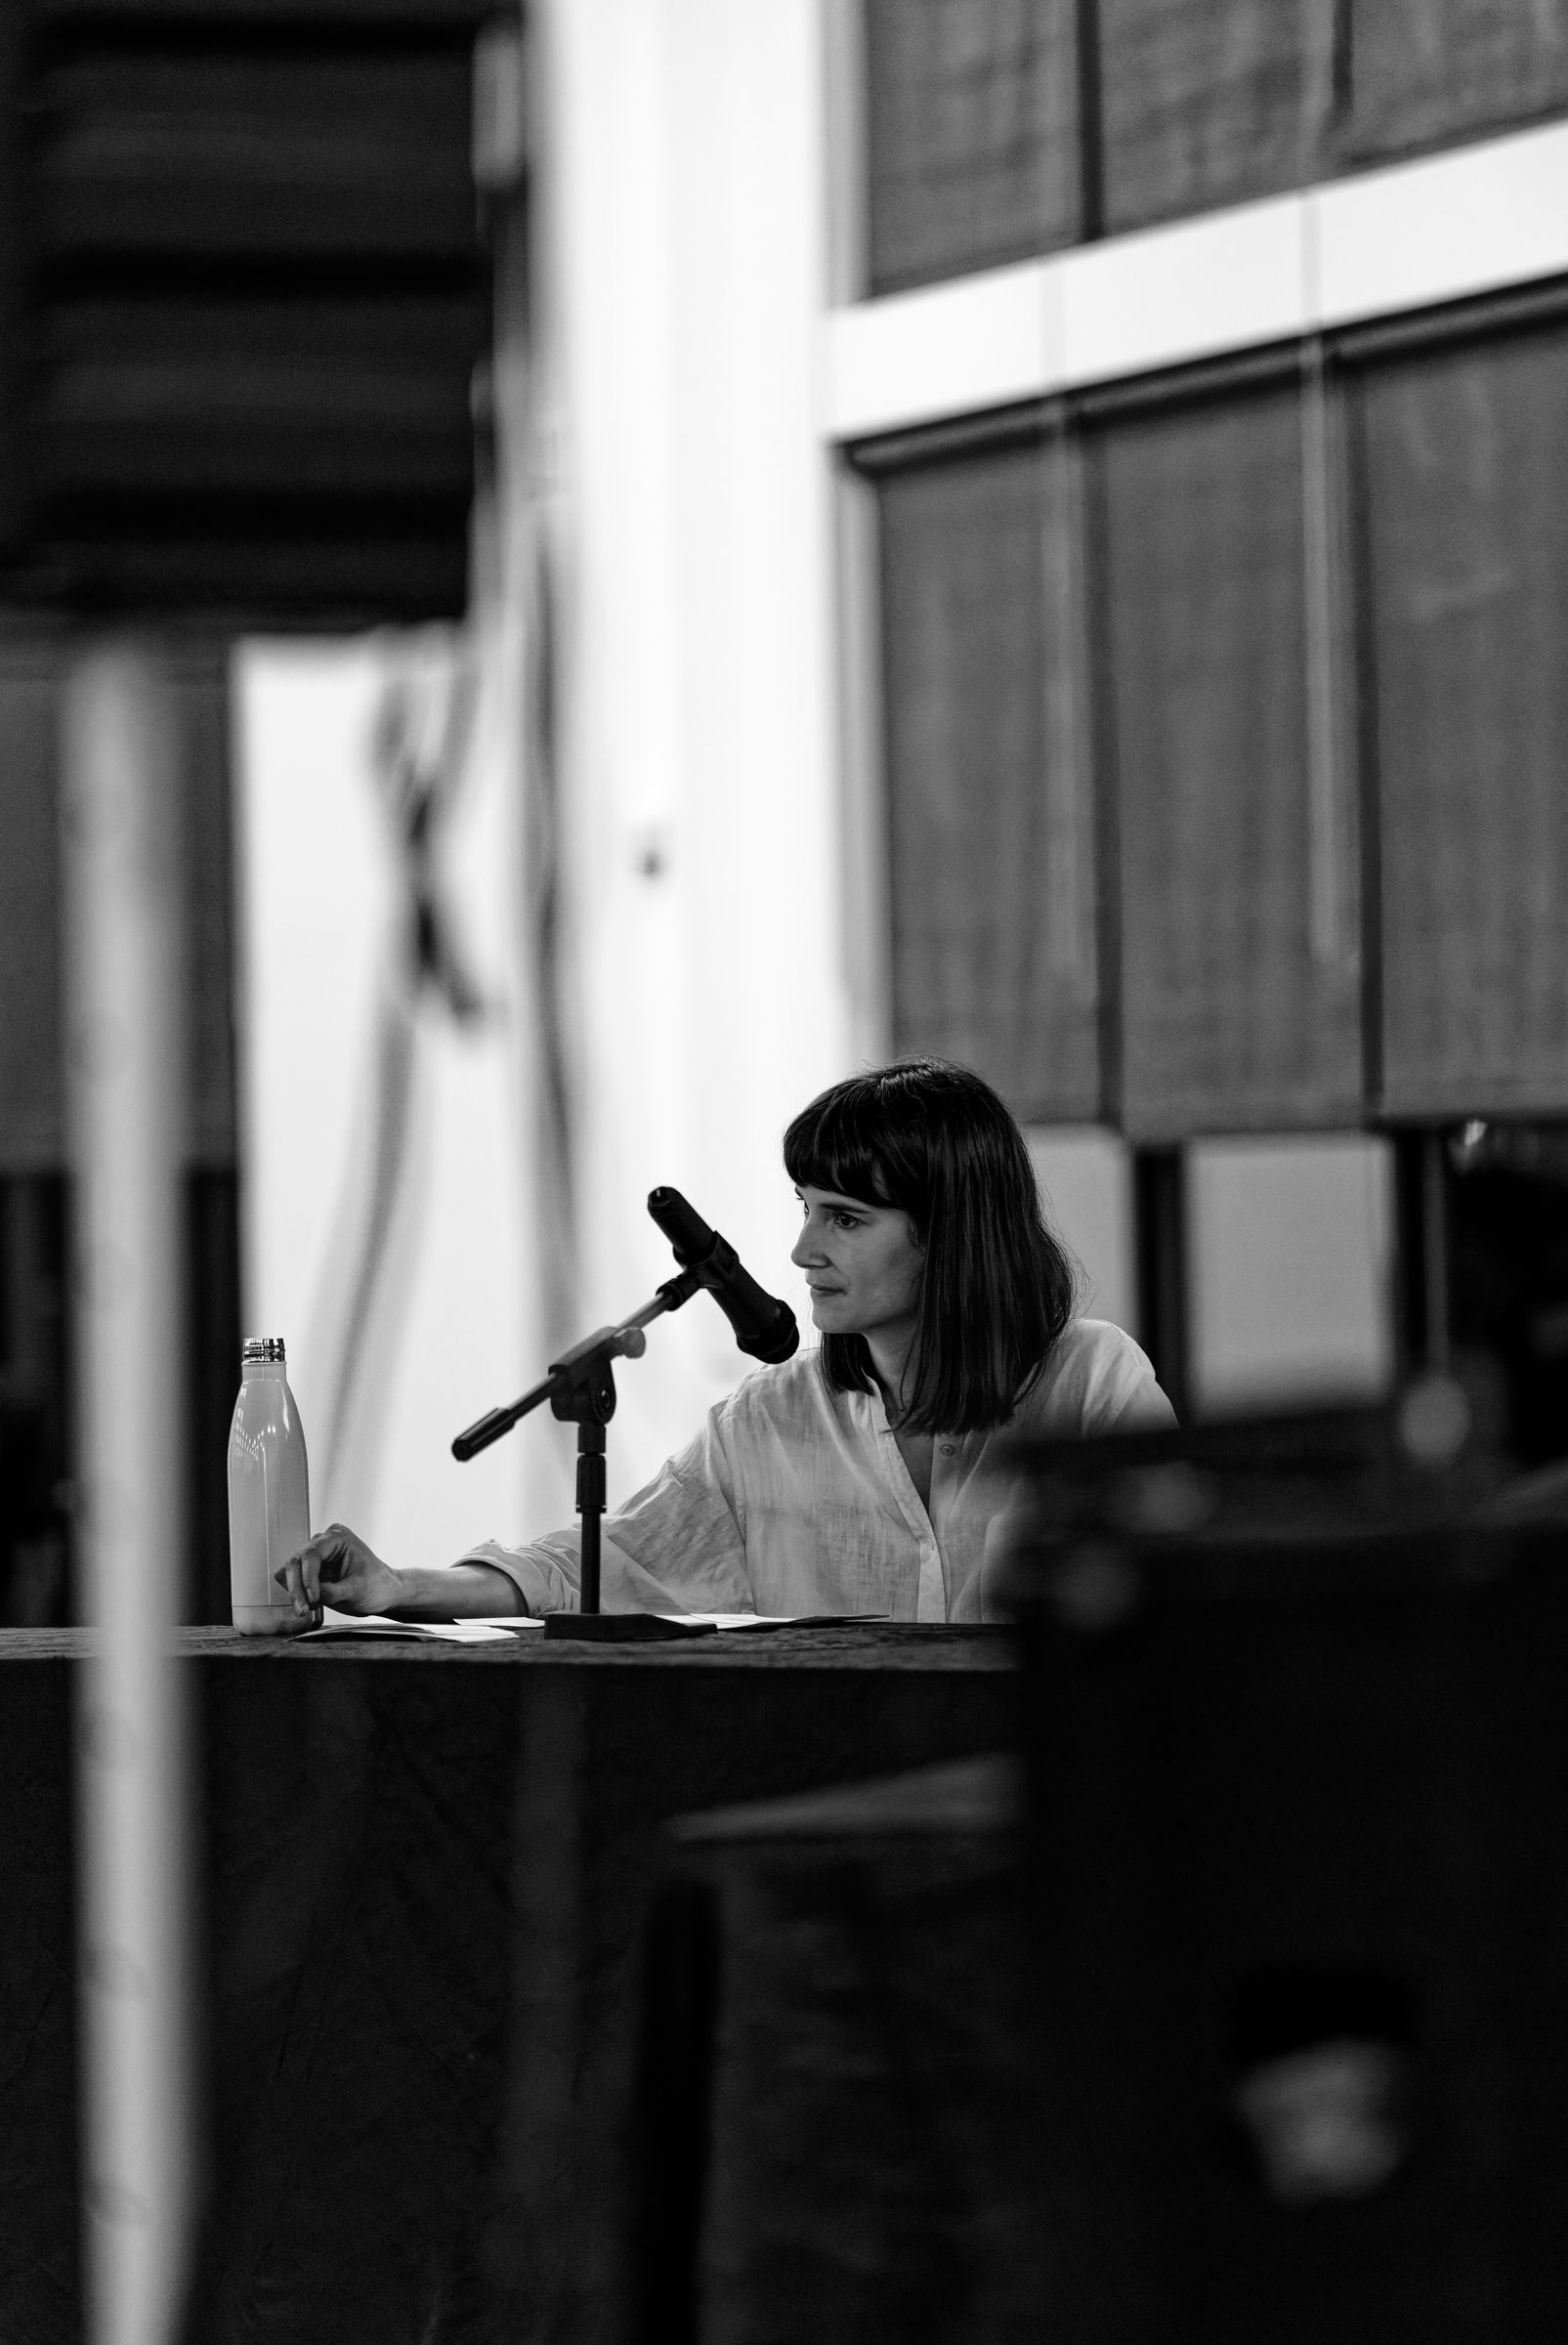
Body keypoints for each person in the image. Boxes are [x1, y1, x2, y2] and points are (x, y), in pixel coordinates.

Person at [277, 1058, 1175, 1626]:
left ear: (950, 1233)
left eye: (846, 1219)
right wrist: (400, 1589)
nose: (801, 1251)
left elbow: (1179, 1612)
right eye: (804, 1210)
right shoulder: (767, 1419)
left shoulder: (1090, 1383)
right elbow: (600, 1564)